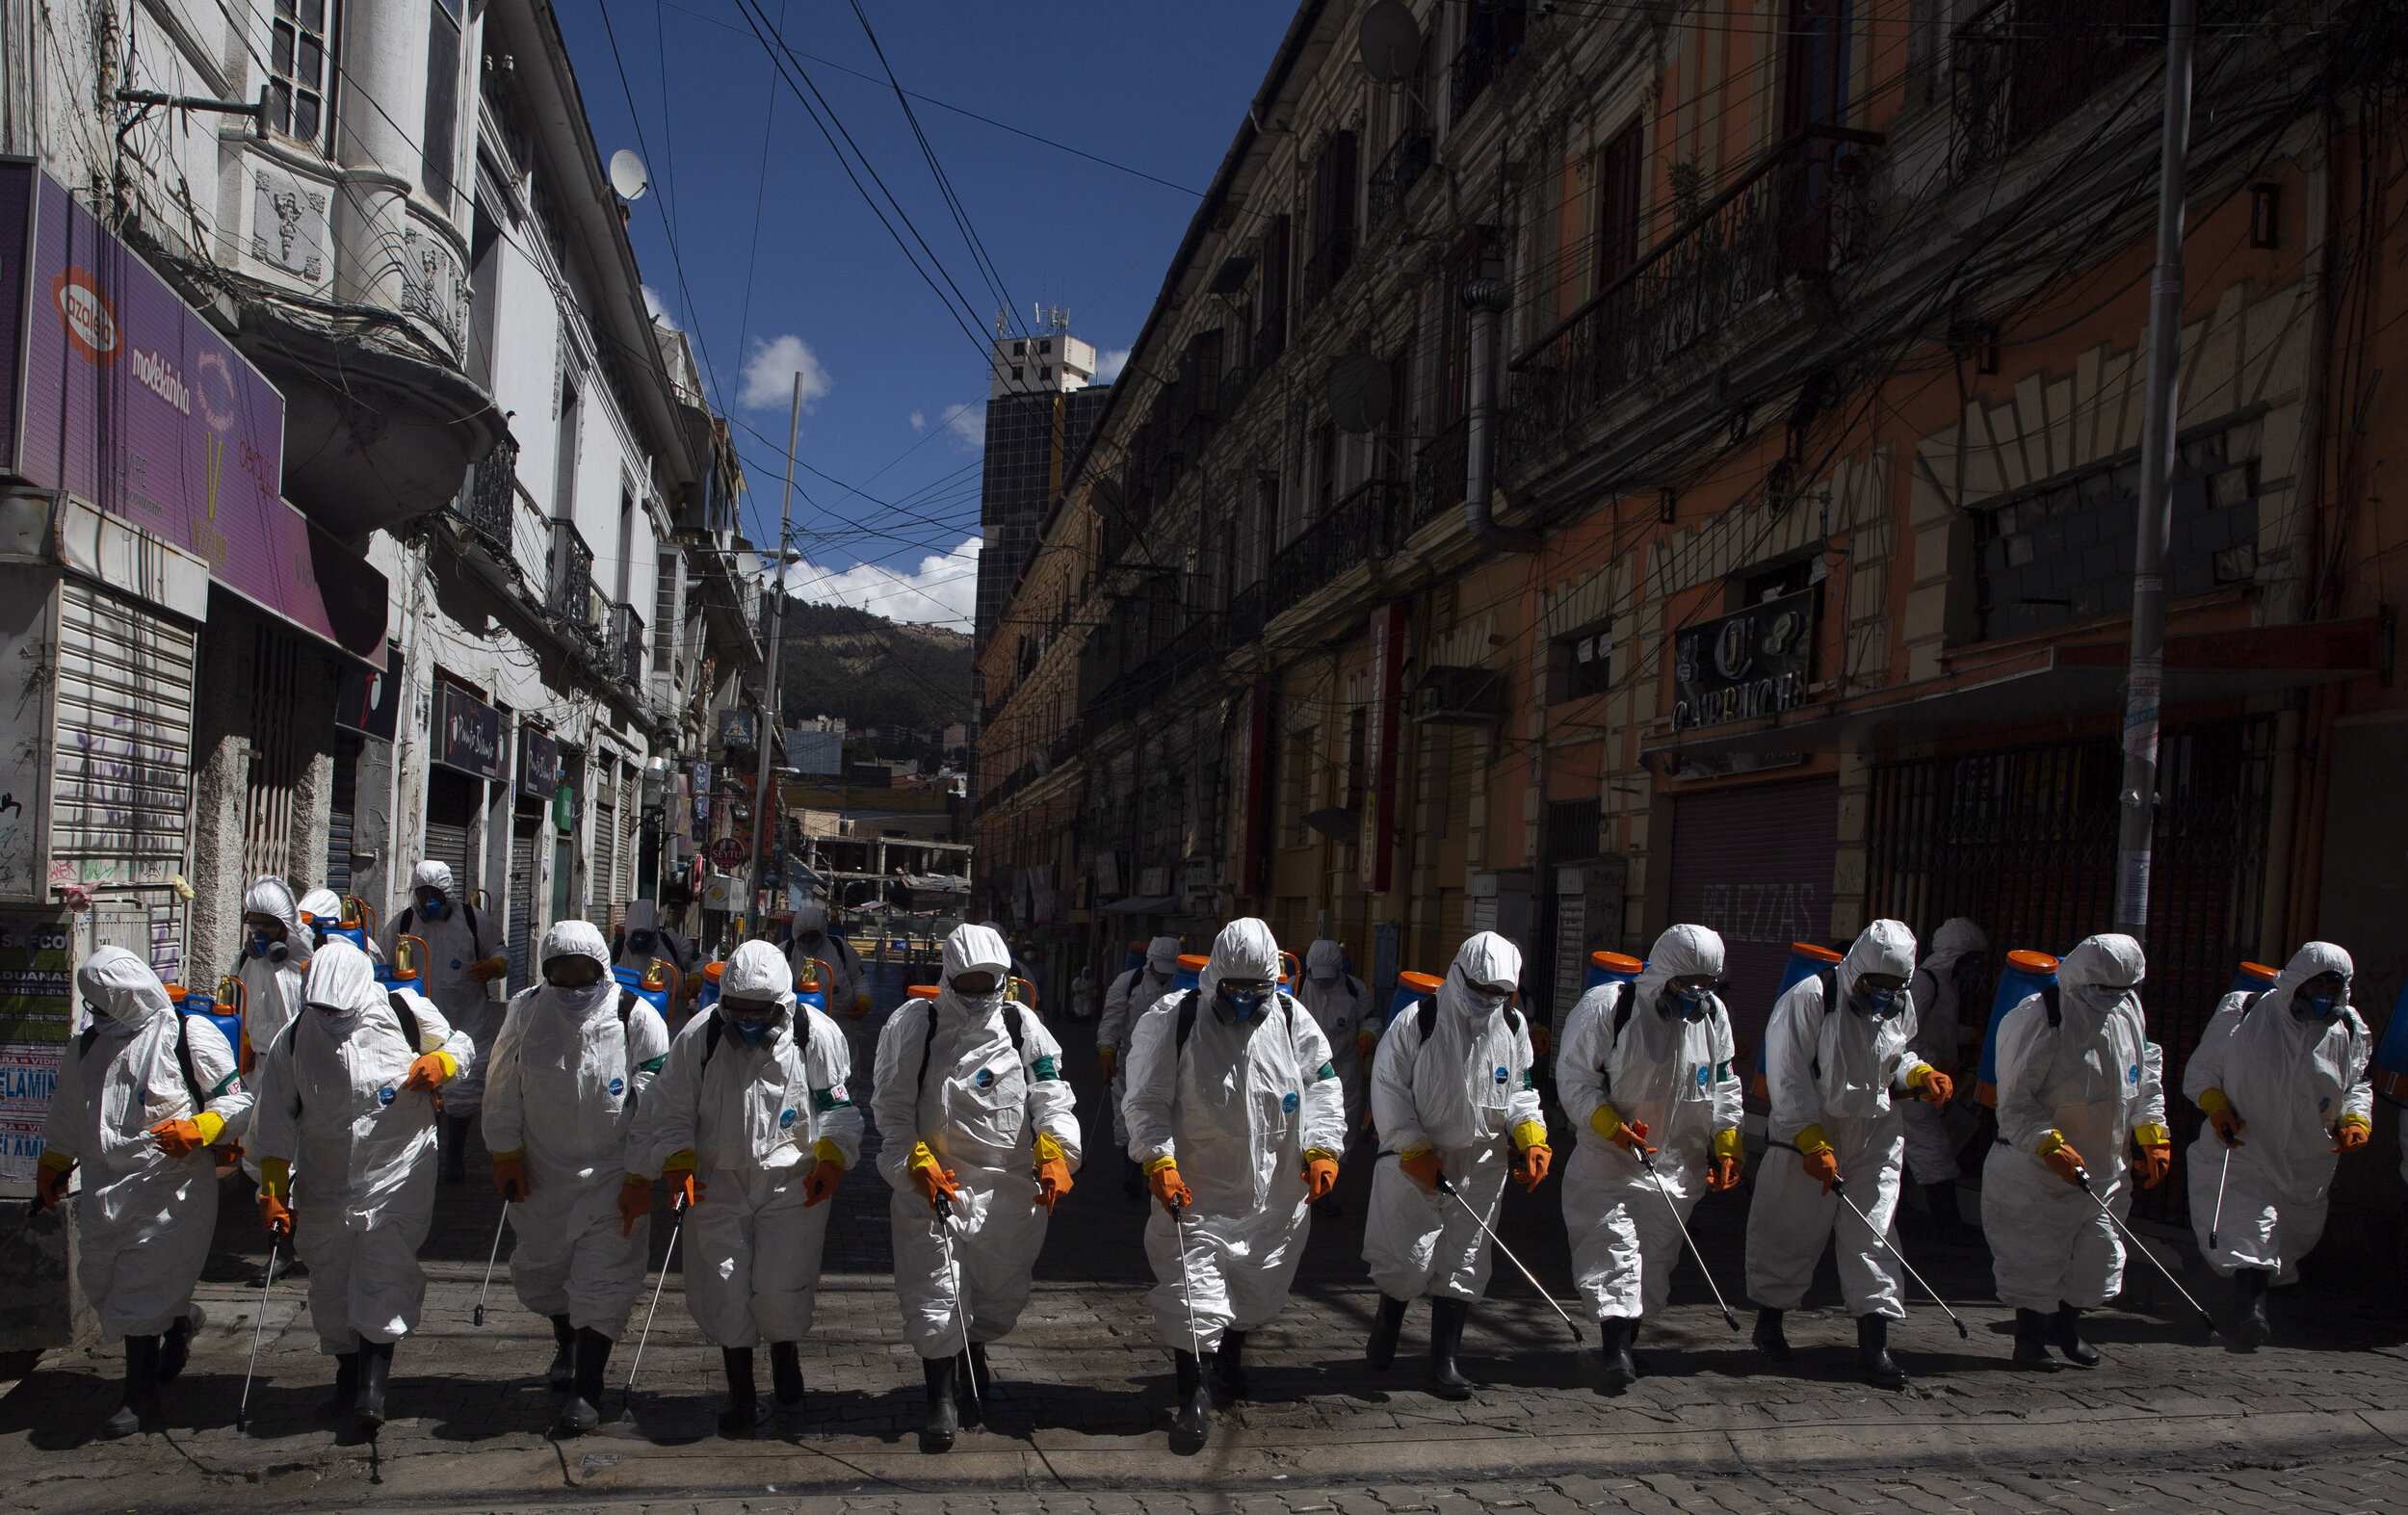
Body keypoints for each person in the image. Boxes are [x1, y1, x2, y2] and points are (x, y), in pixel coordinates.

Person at [625, 939, 861, 1437]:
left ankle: (784, 1355)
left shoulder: (814, 1035)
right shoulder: (700, 1037)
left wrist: (833, 1158)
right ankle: (741, 1392)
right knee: (726, 1287)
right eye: (739, 1010)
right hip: (717, 1181)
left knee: (780, 1284)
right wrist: (677, 1161)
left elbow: (837, 1108)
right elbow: (669, 1109)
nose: (749, 1021)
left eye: (760, 1011)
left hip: (792, 1183)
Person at [1123, 918, 1343, 1449]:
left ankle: (1231, 1364)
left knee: (1255, 1283)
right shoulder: (1173, 1021)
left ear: (1274, 983)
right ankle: (1192, 1394)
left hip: (1273, 1191)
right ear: (1214, 978)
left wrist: (1322, 1147)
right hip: (1197, 1189)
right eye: (1234, 989)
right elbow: (1146, 1099)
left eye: (1257, 990)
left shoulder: (1291, 1018)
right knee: (1192, 1296)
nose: (1245, 1001)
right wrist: (1159, 1161)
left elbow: (1322, 1086)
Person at [244, 940, 471, 1430]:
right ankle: (346, 1372)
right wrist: (272, 1191)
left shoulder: (402, 1009)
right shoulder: (294, 1038)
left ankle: (373, 1384)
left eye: (337, 1009)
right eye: (320, 1008)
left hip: (397, 1168)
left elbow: (461, 1044)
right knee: (329, 1280)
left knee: (382, 1269)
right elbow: (275, 1123)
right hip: (325, 1178)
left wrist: (443, 1063)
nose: (330, 1017)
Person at [872, 924, 1081, 1451]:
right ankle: (939, 1395)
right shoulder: (914, 1024)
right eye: (967, 983)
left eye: (988, 983)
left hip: (1009, 1192)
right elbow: (891, 1105)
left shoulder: (1021, 1024)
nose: (977, 994)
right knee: (935, 1293)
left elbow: (1051, 1093)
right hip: (933, 1186)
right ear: (948, 977)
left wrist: (1057, 1151)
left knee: (997, 1292)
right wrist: (913, 1159)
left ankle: (975, 1346)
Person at [36, 947, 252, 1437]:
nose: (98, 1012)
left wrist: (201, 1127)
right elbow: (69, 1111)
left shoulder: (186, 1034)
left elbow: (238, 1102)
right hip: (103, 1188)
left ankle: (140, 1397)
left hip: (168, 1187)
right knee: (104, 1279)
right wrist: (52, 1162)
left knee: (140, 1286)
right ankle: (177, 1320)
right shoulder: (87, 1046)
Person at [483, 920, 671, 1434]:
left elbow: (654, 1104)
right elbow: (501, 1084)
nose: (571, 984)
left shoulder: (637, 1017)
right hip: (543, 1172)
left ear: (602, 968)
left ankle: (588, 1389)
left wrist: (640, 1175)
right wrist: (504, 1152)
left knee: (604, 1283)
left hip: (613, 1177)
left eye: (582, 972)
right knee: (543, 1274)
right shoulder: (525, 1011)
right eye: (559, 974)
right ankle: (566, 1339)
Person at [1745, 919, 1948, 1389]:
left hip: (1875, 1132)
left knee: (1874, 1233)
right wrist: (1811, 1140)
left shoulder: (1900, 1005)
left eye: (1896, 986)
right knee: (1790, 1227)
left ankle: (1873, 1342)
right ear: (1858, 969)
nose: (1886, 995)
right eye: (1877, 985)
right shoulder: (1810, 999)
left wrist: (1919, 1076)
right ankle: (1769, 1322)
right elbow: (1788, 1076)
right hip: (1810, 1128)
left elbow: (1894, 1059)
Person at [1361, 932, 1550, 1399]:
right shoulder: (1418, 1021)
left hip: (1483, 1160)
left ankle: (1444, 1360)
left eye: (1497, 994)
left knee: (1465, 1258)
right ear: (1457, 972)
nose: (1487, 1001)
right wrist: (1411, 1145)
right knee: (1406, 1255)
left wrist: (1530, 1134)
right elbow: (1387, 1087)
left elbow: (1522, 1089)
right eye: (1479, 990)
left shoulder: (1513, 1025)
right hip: (1418, 1159)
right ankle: (1389, 1318)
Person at [1556, 926, 1741, 1393]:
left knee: (1655, 1261)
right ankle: (1615, 1350)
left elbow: (1723, 1083)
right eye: (1686, 984)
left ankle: (1627, 1344)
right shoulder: (1610, 1008)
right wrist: (1606, 1124)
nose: (1696, 995)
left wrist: (1727, 1140)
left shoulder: (1712, 1016)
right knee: (1614, 1250)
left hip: (1677, 1163)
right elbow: (1576, 1079)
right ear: (1662, 975)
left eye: (1706, 984)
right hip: (1609, 1161)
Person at [1983, 932, 2169, 1371]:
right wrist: (2048, 1144)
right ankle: (2028, 1340)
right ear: (2079, 976)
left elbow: (2143, 1075)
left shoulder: (2128, 1012)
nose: (2111, 999)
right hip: (2038, 1171)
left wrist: (2153, 1133)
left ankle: (2068, 1329)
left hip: (2105, 1166)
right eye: (2102, 989)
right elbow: (2014, 1103)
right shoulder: (2037, 1018)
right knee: (2036, 1256)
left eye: (2120, 991)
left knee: (2095, 1258)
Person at [2182, 941, 2369, 1349]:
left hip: (2307, 1157)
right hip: (2246, 1145)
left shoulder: (2349, 1028)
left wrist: (2356, 1119)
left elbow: (2357, 1085)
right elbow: (2202, 1070)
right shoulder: (2245, 1011)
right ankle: (2253, 1315)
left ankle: (2242, 1300)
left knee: (2292, 1235)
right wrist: (2216, 1106)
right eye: (2315, 983)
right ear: (2295, 982)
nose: (2323, 995)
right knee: (2249, 1225)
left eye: (2332, 987)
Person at [381, 860, 507, 1181]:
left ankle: (455, 1153)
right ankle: (429, 1153)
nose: (427, 900)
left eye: (433, 893)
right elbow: (381, 963)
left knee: (463, 1095)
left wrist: (494, 966)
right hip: (420, 1026)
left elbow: (502, 951)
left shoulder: (472, 920)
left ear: (446, 892)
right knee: (422, 1088)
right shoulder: (403, 924)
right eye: (421, 893)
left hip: (468, 1018)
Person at [1903, 919, 1985, 1239]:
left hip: (1928, 1084)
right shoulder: (1925, 983)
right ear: (1957, 955)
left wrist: (1970, 1036)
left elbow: (1940, 1029)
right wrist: (1940, 1065)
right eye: (1971, 959)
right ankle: (1948, 1228)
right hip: (1914, 1084)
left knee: (1914, 1152)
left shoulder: (1944, 983)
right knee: (1934, 1152)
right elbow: (1907, 1037)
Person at [1100, 936, 1182, 1197]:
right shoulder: (1128, 983)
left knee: (1167, 1116)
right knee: (1125, 1114)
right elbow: (1111, 1019)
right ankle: (1131, 1168)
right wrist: (1106, 1049)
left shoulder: (1183, 984)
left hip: (1171, 1063)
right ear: (1150, 962)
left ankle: (1160, 1167)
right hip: (1129, 1063)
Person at [1297, 939, 1375, 1168]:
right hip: (1304, 1066)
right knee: (1305, 1116)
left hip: (1344, 1065)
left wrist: (1368, 1035)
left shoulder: (1353, 989)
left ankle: (1337, 1173)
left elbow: (1369, 1018)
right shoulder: (1297, 987)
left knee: (1345, 1118)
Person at [784, 901, 874, 1093]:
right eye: (804, 937)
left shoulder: (840, 948)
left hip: (840, 1026)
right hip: (795, 1031)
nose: (809, 941)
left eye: (813, 936)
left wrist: (863, 1000)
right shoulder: (783, 954)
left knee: (844, 1074)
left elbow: (858, 977)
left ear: (823, 932)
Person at [236, 875, 313, 1061]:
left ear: (286, 922)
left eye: (267, 925)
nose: (260, 932)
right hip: (260, 1064)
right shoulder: (246, 959)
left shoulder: (314, 956)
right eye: (254, 925)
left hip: (301, 1062)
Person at [615, 899, 699, 978]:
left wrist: (695, 978)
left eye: (647, 935)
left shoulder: (671, 943)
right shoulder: (615, 950)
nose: (641, 941)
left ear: (655, 932)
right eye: (637, 935)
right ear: (629, 933)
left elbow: (700, 960)